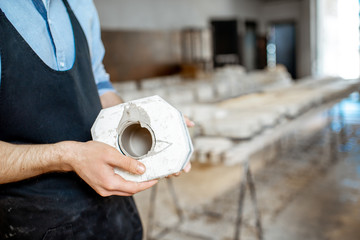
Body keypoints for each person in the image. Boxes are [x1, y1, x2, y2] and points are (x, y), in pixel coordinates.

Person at [0, 0, 191, 239]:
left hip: (112, 210)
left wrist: (146, 124)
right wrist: (68, 156)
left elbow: (99, 85)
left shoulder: (81, 5)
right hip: (33, 221)